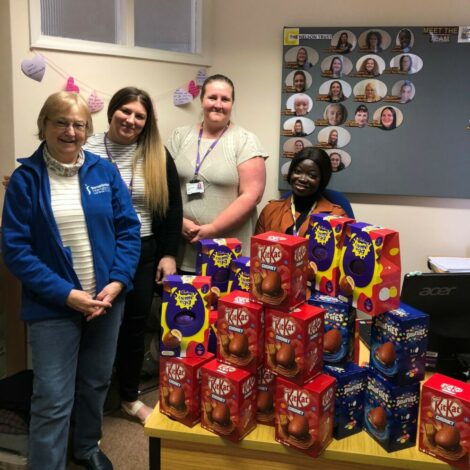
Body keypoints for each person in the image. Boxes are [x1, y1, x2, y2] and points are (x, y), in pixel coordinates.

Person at [1, 92, 141, 470]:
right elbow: (16, 250)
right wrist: (67, 294)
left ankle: (86, 446)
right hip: (54, 305)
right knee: (52, 396)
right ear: (44, 126)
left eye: (79, 124)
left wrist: (118, 281)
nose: (70, 131)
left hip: (106, 301)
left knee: (95, 382)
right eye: (61, 122)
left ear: (87, 130)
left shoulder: (103, 172)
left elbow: (128, 230)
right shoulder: (25, 180)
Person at [83, 87, 183, 425]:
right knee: (94, 324)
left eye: (139, 116)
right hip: (96, 249)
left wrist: (169, 254)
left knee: (134, 327)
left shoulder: (156, 154)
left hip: (142, 249)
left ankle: (128, 396)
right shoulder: (85, 147)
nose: (131, 119)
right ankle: (89, 401)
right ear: (112, 111)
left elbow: (171, 210)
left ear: (146, 122)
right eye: (126, 111)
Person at [167, 74, 268, 273]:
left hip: (227, 252)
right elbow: (162, 186)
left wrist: (212, 230)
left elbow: (251, 195)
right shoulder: (180, 136)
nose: (218, 104)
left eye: (225, 99)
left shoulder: (245, 140)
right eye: (212, 97)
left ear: (232, 103)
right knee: (185, 303)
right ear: (202, 100)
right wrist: (179, 222)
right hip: (182, 246)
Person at [255, 148, 347, 237]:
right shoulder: (270, 211)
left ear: (322, 180)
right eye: (297, 171)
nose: (302, 179)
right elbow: (257, 249)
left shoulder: (337, 216)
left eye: (312, 175)